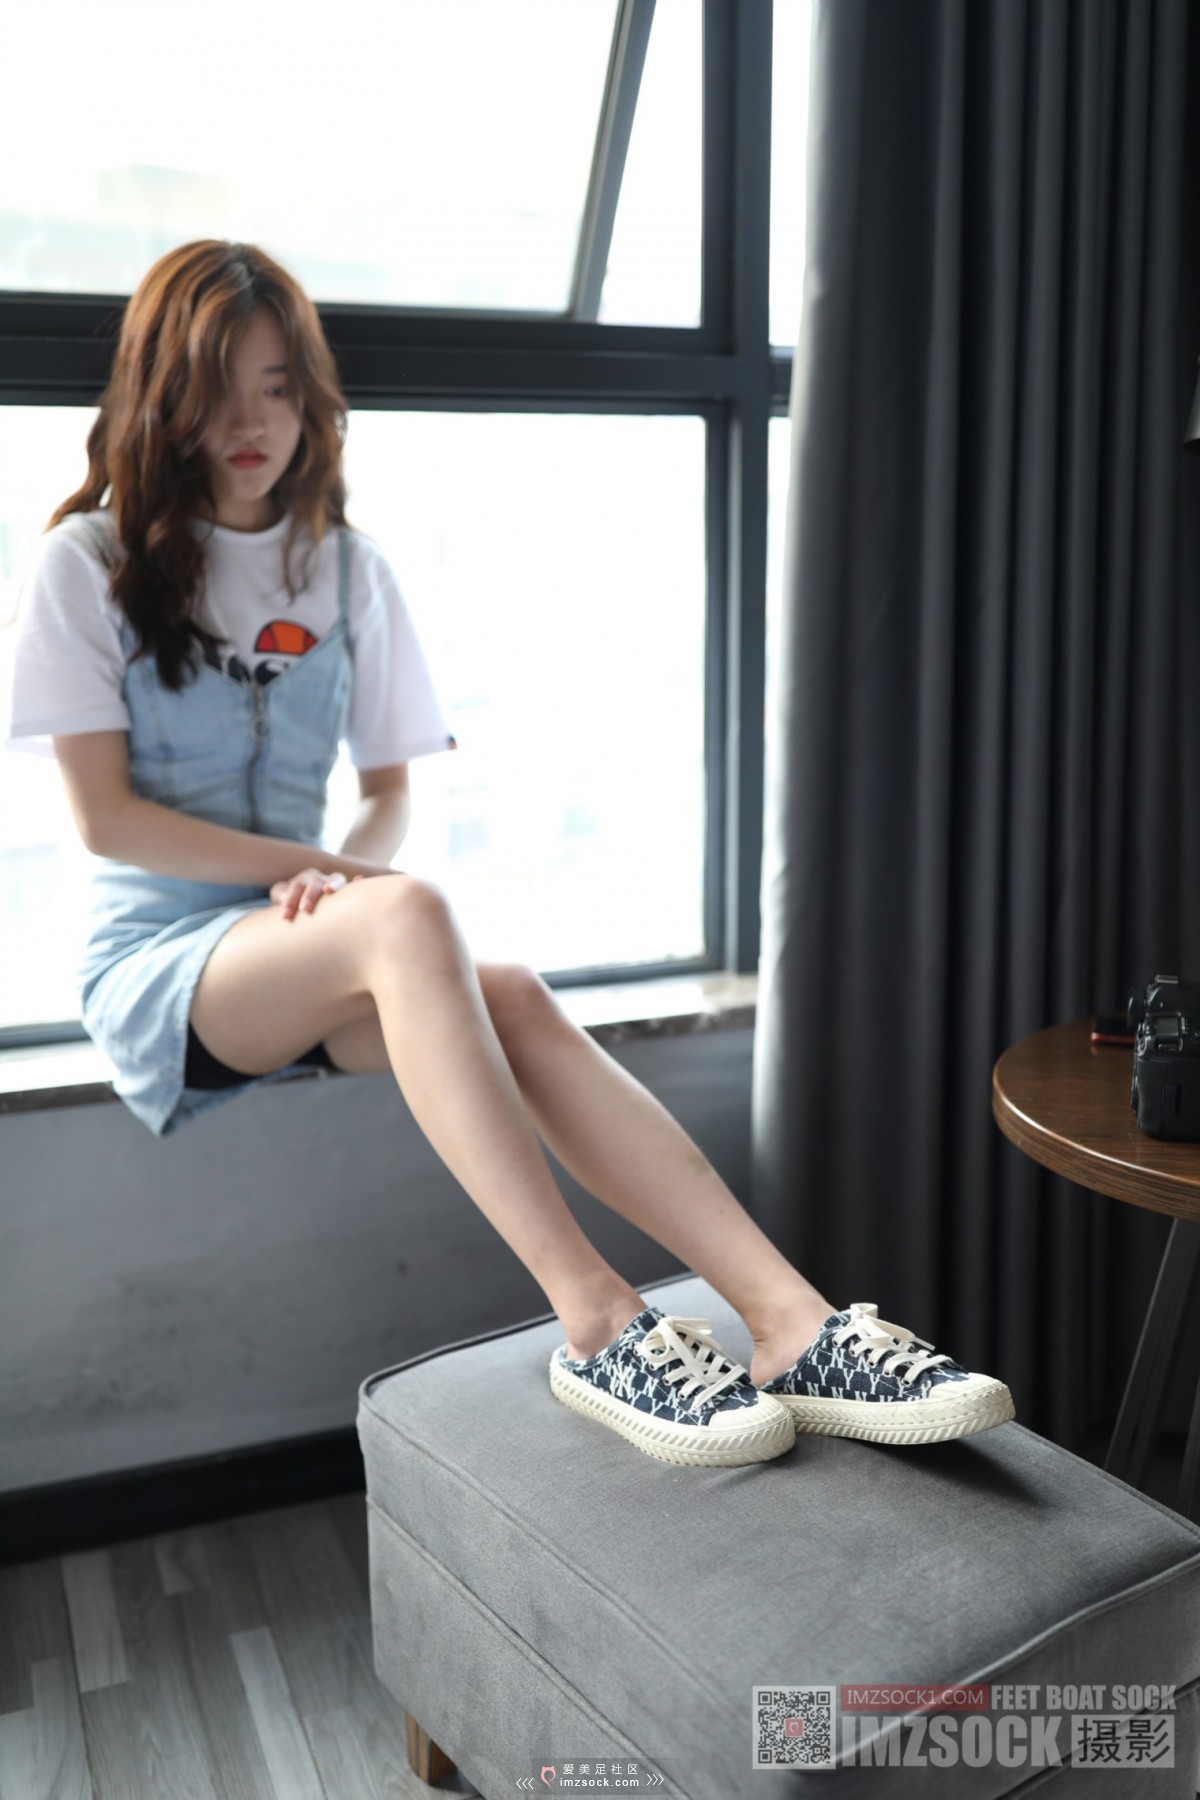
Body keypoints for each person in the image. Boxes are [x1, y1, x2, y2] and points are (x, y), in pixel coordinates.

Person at [4, 240, 1014, 1468]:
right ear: (164, 392)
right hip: (165, 962)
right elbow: (107, 822)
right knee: (408, 912)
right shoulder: (89, 562)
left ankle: (788, 1322)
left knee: (515, 995)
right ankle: (595, 1320)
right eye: (221, 389)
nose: (252, 422)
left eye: (277, 387)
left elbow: (387, 795)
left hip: (306, 933)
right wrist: (331, 881)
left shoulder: (344, 567)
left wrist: (337, 880)